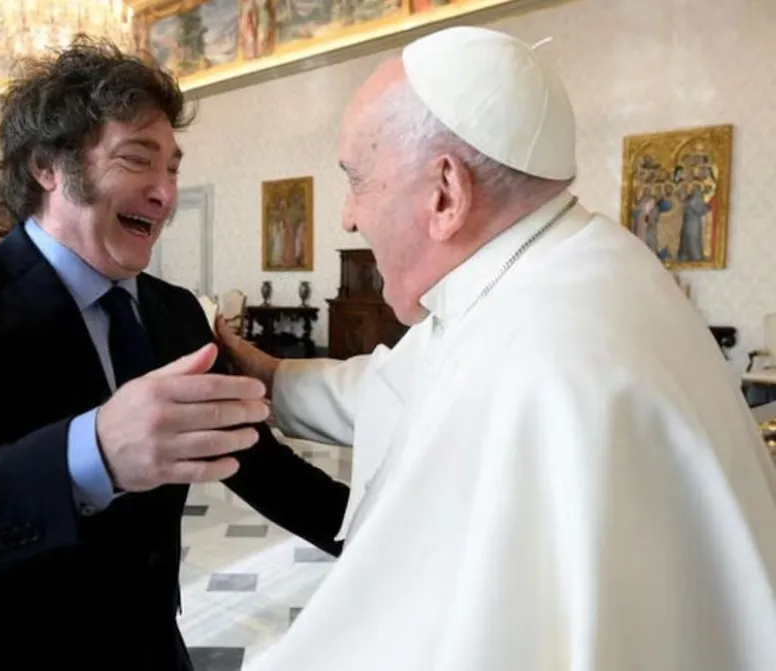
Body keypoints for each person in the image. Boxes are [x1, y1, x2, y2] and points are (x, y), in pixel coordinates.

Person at [217, 26, 776, 671]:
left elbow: (401, 632)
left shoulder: (538, 353)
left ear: (446, 194)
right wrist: (265, 376)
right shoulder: (574, 263)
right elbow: (403, 384)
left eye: (357, 180)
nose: (347, 217)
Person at [0, 36, 349, 670]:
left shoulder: (176, 313)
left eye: (173, 168)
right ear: (48, 167)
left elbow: (263, 467)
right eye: (138, 160)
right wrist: (94, 453)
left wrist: (399, 541)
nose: (166, 194)